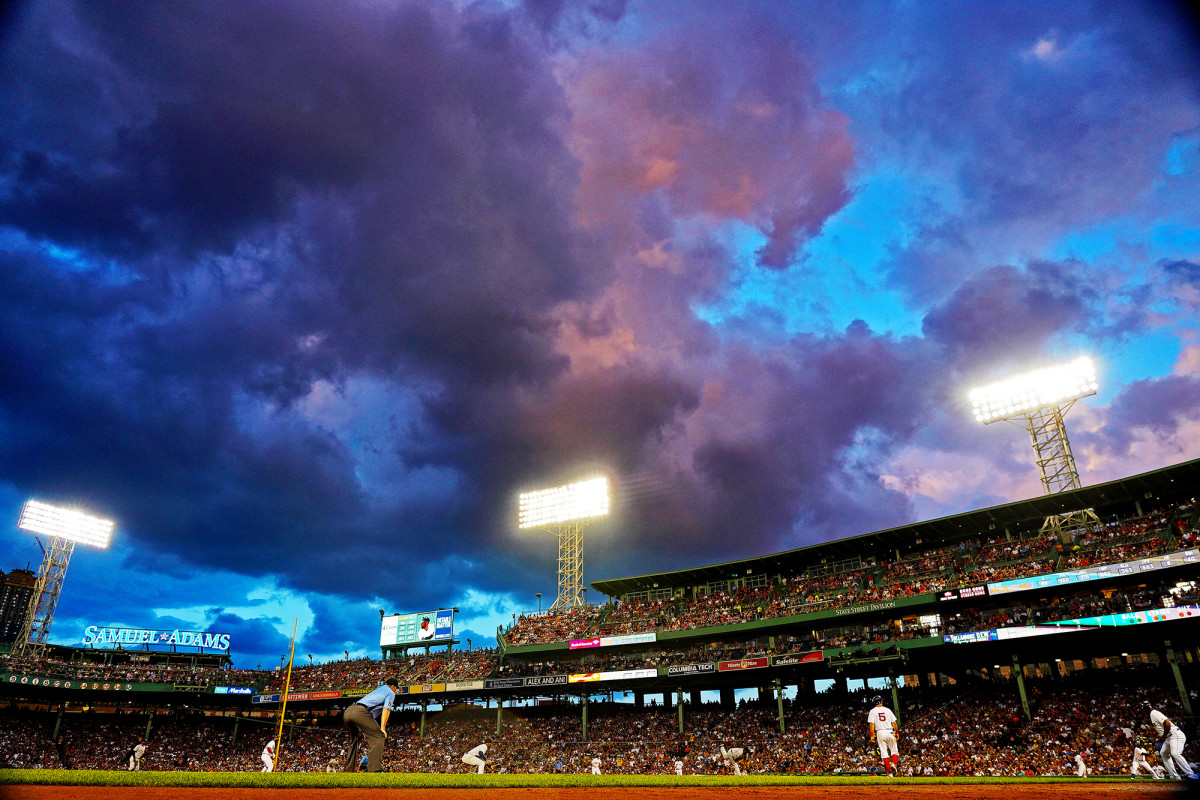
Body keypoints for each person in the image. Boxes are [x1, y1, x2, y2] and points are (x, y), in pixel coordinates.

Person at [343, 677, 400, 773]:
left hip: (348, 711)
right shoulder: (390, 692)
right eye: (396, 688)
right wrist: (382, 728)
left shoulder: (379, 690)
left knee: (356, 738)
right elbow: (386, 709)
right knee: (379, 736)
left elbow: (369, 717)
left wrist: (365, 730)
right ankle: (375, 770)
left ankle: (348, 771)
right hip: (360, 712)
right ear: (393, 687)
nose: (396, 691)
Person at [1147, 702, 1197, 780]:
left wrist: (1163, 736)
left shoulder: (1154, 713)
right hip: (1169, 737)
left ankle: (1192, 775)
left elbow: (1167, 723)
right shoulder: (1152, 715)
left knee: (1175, 753)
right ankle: (1174, 776)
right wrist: (1162, 736)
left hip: (1175, 735)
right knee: (1164, 753)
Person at [867, 695, 899, 777]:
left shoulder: (872, 711)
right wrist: (896, 732)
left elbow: (872, 724)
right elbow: (894, 723)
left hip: (880, 732)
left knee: (884, 753)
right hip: (889, 731)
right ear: (881, 701)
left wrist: (872, 735)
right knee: (894, 751)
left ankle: (890, 773)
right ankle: (894, 765)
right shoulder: (887, 710)